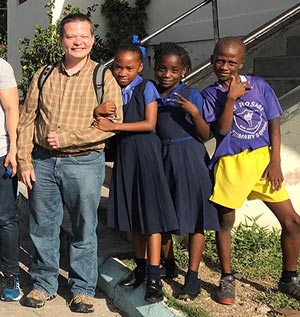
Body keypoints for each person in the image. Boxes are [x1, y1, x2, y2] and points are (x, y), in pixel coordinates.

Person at [17, 13, 123, 313]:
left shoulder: (103, 77)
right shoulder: (45, 74)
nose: (78, 41)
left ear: (92, 39)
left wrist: (69, 138)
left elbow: (113, 123)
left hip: (85, 163)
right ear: (62, 40)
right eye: (71, 36)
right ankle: (44, 283)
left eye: (84, 36)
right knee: (43, 226)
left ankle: (82, 289)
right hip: (43, 163)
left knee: (84, 228)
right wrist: (25, 160)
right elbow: (27, 121)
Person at [202, 36, 300, 305]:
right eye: (220, 60)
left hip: (262, 161)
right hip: (231, 163)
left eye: (231, 62)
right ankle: (227, 277)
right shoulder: (209, 95)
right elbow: (220, 130)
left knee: (292, 221)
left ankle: (289, 277)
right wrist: (231, 99)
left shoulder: (259, 86)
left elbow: (274, 124)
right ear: (212, 61)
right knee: (226, 222)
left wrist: (275, 161)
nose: (225, 66)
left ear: (241, 63)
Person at [93, 43, 179, 303]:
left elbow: (150, 123)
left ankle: (154, 276)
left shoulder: (146, 88)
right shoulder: (115, 92)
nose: (122, 72)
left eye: (129, 68)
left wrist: (115, 125)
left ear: (140, 67)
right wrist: (98, 112)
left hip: (146, 157)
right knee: (134, 218)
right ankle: (141, 268)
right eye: (118, 67)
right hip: (126, 158)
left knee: (150, 218)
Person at [153, 42, 219, 300]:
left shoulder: (192, 95)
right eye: (162, 69)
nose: (167, 74)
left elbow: (204, 135)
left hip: (190, 159)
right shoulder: (151, 94)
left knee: (196, 220)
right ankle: (167, 264)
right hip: (162, 158)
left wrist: (194, 113)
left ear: (184, 71)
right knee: (163, 215)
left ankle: (192, 276)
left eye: (174, 70)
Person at [0, 58, 20, 301]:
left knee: (4, 218)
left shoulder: (1, 67)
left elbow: (12, 108)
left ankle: (10, 274)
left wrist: (14, 148)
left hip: (1, 151)